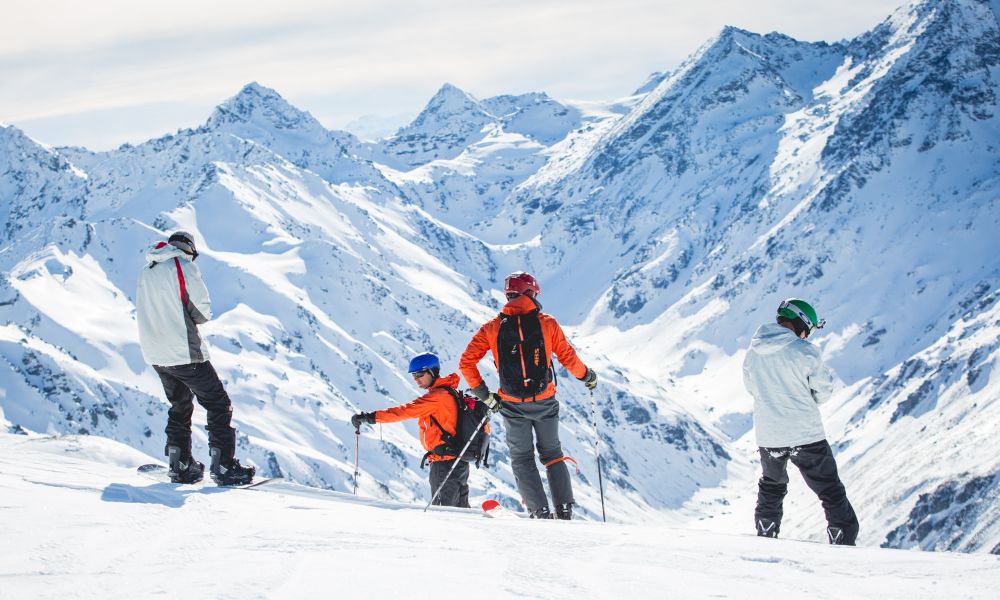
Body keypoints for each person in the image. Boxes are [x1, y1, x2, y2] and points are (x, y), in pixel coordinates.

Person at [460, 272, 597, 520]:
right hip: (545, 400)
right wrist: (586, 376)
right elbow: (568, 358)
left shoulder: (492, 328)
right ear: (531, 294)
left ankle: (539, 512)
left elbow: (466, 363)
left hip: (512, 405)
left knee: (522, 458)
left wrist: (485, 396)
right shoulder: (547, 323)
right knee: (553, 454)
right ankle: (564, 510)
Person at [135, 231, 255, 486]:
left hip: (156, 353)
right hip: (183, 351)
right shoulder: (182, 265)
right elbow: (201, 312)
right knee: (218, 403)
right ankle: (224, 466)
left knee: (180, 405)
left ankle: (181, 465)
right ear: (190, 250)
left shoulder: (148, 270)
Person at [742, 298, 860, 545]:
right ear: (802, 323)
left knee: (772, 485)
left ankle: (766, 530)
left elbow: (751, 388)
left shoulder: (752, 354)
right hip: (805, 434)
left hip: (769, 435)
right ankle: (842, 536)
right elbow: (823, 391)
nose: (808, 334)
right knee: (829, 489)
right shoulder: (804, 351)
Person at [352, 353, 471, 507]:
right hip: (457, 461)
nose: (416, 379)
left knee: (445, 512)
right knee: (460, 509)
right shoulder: (448, 392)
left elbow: (404, 411)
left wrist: (370, 418)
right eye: (414, 375)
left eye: (420, 374)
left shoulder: (437, 397)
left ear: (432, 372)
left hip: (444, 464)